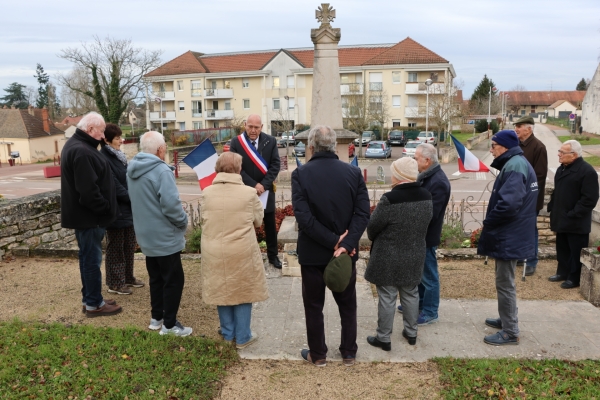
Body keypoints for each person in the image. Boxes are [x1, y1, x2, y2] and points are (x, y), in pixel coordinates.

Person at [291, 125, 370, 367]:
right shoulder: (353, 173)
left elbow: (304, 218)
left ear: (311, 146)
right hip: (344, 255)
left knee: (314, 306)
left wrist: (335, 241)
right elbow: (363, 213)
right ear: (335, 146)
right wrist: (344, 243)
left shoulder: (300, 174)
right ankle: (349, 352)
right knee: (348, 305)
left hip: (314, 253)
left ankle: (318, 354)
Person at [200, 152, 268, 349]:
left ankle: (228, 332)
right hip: (241, 249)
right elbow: (258, 220)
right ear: (239, 169)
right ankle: (243, 335)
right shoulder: (248, 193)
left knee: (222, 287)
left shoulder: (207, 192)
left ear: (217, 169)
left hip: (213, 248)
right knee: (243, 289)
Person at [127, 131, 192, 336]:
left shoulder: (132, 169)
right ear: (161, 149)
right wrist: (183, 221)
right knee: (174, 279)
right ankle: (170, 325)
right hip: (165, 236)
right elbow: (171, 206)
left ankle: (157, 318)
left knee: (156, 277)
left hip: (145, 234)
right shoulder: (162, 171)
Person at [477, 130, 538, 346]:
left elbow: (509, 204)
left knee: (505, 283)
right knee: (504, 281)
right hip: (513, 232)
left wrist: (489, 221)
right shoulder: (517, 163)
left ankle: (510, 331)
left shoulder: (514, 166)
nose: (491, 150)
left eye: (493, 145)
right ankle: (505, 319)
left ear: (504, 146)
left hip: (509, 234)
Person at [366, 158, 432, 351]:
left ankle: (383, 338)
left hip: (388, 255)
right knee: (411, 293)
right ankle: (411, 333)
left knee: (387, 296)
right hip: (414, 253)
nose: (391, 175)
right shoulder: (427, 196)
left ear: (400, 175)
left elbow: (372, 229)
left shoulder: (390, 199)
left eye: (393, 171)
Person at [61, 111, 121, 317]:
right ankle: (94, 304)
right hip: (90, 219)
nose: (104, 136)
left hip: (86, 218)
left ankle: (92, 298)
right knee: (91, 260)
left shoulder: (78, 146)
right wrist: (105, 208)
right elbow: (88, 192)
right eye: (102, 131)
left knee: (88, 258)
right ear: (90, 129)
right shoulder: (82, 151)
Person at [400, 143, 450, 326]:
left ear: (427, 160)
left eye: (416, 158)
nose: (414, 161)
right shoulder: (426, 176)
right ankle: (419, 304)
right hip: (419, 235)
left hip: (427, 236)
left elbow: (430, 214)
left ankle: (430, 311)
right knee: (420, 273)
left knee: (429, 275)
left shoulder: (439, 182)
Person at [229, 115, 282, 268]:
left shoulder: (270, 141)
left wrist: (263, 185)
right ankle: (247, 257)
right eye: (250, 126)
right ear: (245, 125)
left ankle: (273, 257)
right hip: (245, 190)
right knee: (245, 224)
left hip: (265, 191)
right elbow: (235, 167)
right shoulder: (236, 142)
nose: (253, 130)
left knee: (270, 225)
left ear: (262, 127)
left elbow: (275, 165)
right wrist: (253, 185)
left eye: (256, 127)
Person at [547, 140, 599, 289]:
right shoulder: (561, 169)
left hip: (576, 221)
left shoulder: (587, 171)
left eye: (562, 152)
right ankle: (562, 272)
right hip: (562, 217)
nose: (559, 154)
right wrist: (552, 206)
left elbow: (590, 199)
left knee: (575, 251)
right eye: (559, 151)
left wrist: (573, 213)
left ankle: (574, 278)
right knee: (562, 248)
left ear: (574, 155)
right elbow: (558, 191)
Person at [100, 124, 144, 295]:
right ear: (107, 140)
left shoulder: (119, 156)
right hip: (116, 208)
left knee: (128, 244)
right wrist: (131, 197)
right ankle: (115, 283)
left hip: (127, 207)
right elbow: (112, 183)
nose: (121, 140)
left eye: (120, 137)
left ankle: (127, 277)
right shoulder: (104, 158)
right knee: (116, 246)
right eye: (117, 138)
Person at [514, 116, 548, 276]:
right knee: (519, 229)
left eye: (519, 126)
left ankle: (532, 261)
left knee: (530, 230)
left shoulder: (538, 147)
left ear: (529, 129)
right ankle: (521, 256)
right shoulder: (517, 146)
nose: (516, 129)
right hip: (516, 196)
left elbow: (540, 176)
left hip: (529, 198)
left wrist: (528, 195)